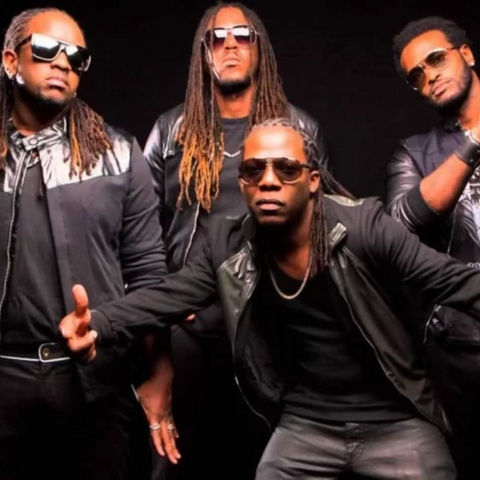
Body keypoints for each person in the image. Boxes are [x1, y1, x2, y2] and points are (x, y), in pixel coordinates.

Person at [62, 117, 480, 479]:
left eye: (286, 169)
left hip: (396, 421)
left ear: (313, 181)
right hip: (307, 424)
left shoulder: (365, 229)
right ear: (243, 182)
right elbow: (169, 296)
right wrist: (97, 323)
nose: (268, 180)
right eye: (253, 169)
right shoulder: (228, 246)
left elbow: (453, 281)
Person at [140, 2, 331, 478]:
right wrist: (165, 309)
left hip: (274, 324)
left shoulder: (299, 129)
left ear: (258, 48)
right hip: (190, 330)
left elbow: (322, 230)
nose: (230, 44)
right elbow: (141, 233)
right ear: (202, 52)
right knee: (180, 464)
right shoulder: (170, 131)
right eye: (217, 36)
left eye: (243, 35)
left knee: (268, 462)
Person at [0, 7, 167, 480]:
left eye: (76, 56)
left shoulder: (120, 154)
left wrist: (158, 373)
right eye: (46, 49)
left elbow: (149, 274)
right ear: (11, 61)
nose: (62, 63)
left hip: (94, 384)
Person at [385, 16, 480, 479]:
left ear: (467, 53)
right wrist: (473, 142)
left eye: (436, 59)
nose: (429, 76)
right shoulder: (415, 153)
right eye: (416, 76)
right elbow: (400, 225)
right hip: (463, 347)